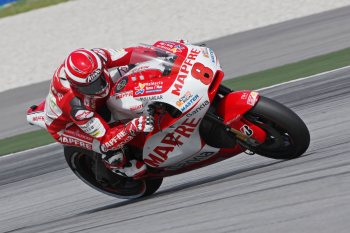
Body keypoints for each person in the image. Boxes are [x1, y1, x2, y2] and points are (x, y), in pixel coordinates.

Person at [42, 47, 156, 177]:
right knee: (109, 148)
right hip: (67, 126)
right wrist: (133, 127)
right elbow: (106, 138)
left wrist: (160, 52)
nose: (100, 87)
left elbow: (132, 53)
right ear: (76, 86)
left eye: (100, 79)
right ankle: (116, 166)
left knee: (133, 68)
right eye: (92, 86)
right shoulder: (76, 106)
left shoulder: (97, 57)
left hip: (91, 101)